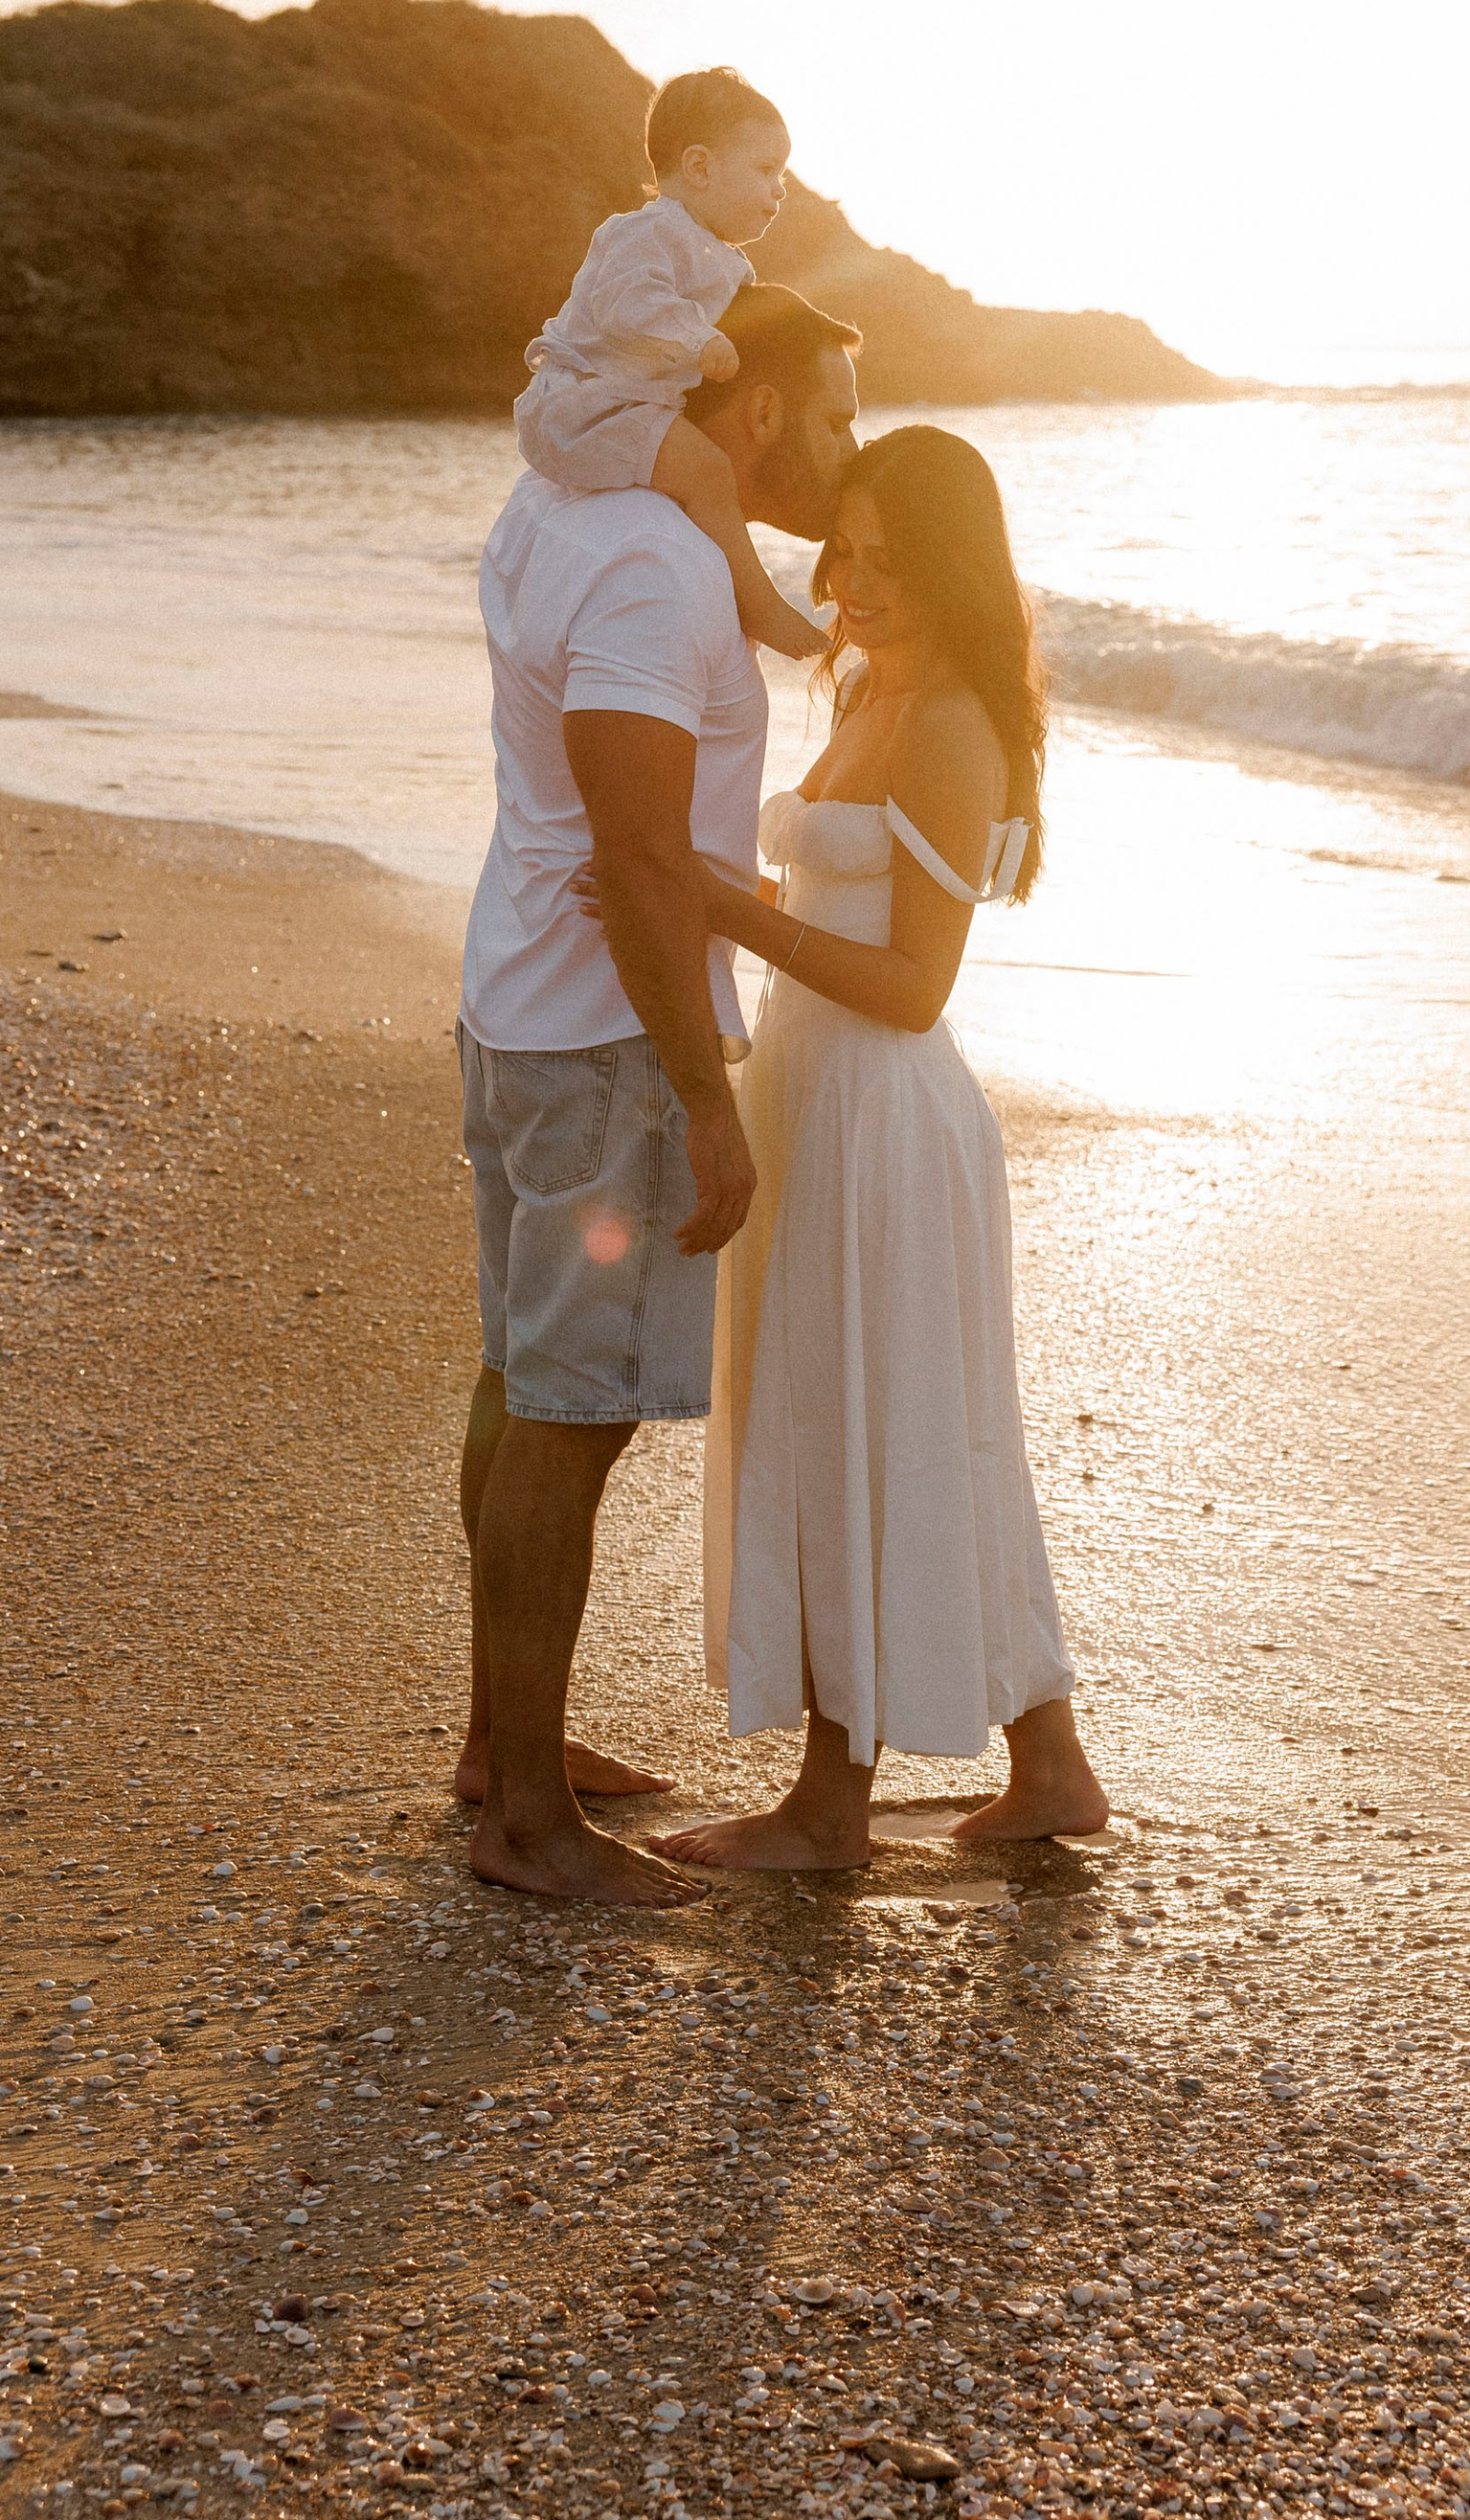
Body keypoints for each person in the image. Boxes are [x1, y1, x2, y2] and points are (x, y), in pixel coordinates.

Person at [646, 424, 1109, 1870]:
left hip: (889, 1117)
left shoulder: (954, 721)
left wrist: (729, 914)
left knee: (864, 1420)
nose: (853, 582)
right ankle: (1053, 1768)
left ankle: (830, 1810)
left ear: (952, 568)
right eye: (845, 549)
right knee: (904, 1419)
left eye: (890, 562)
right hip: (807, 1091)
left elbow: (917, 986)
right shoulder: (858, 685)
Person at [454, 283, 863, 1903]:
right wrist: (702, 1092)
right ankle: (530, 1825)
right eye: (831, 412)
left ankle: (506, 1748)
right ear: (749, 410)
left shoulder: (561, 504)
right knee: (574, 1406)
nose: (846, 447)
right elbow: (638, 854)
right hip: (604, 1035)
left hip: (517, 1001)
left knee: (519, 1377)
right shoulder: (655, 566)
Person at [514, 66, 827, 663]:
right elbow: (631, 304)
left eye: (781, 174)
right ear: (701, 167)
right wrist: (698, 341)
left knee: (710, 465)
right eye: (767, 171)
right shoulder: (644, 232)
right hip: (583, 406)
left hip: (625, 406)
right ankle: (759, 604)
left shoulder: (724, 260)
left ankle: (728, 574)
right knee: (708, 472)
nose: (780, 190)